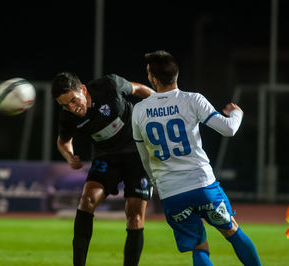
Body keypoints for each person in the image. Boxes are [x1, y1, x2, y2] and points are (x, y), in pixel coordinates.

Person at [132, 50, 262, 266]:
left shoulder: (139, 110)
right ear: (176, 75)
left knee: (199, 247)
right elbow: (229, 129)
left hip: (171, 192)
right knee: (232, 230)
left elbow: (144, 155)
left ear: (153, 79)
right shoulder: (192, 100)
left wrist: (156, 182)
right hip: (202, 185)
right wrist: (237, 113)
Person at [51, 72, 155, 266]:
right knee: (87, 201)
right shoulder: (68, 117)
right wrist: (69, 156)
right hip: (107, 156)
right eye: (65, 105)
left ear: (82, 89)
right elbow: (63, 141)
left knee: (134, 217)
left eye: (73, 100)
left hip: (138, 152)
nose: (72, 108)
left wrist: (162, 104)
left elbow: (139, 89)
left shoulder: (109, 85)